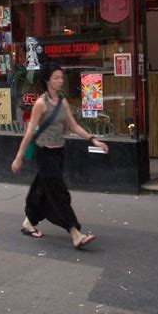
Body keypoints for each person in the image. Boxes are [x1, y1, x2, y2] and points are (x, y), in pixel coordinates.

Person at [11, 62, 109, 249]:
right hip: (45, 153)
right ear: (47, 80)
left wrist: (93, 140)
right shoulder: (40, 104)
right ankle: (75, 232)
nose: (60, 81)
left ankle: (28, 221)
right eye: (56, 77)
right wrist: (19, 157)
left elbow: (74, 126)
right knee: (59, 193)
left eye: (61, 77)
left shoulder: (62, 102)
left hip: (59, 153)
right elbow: (30, 131)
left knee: (41, 190)